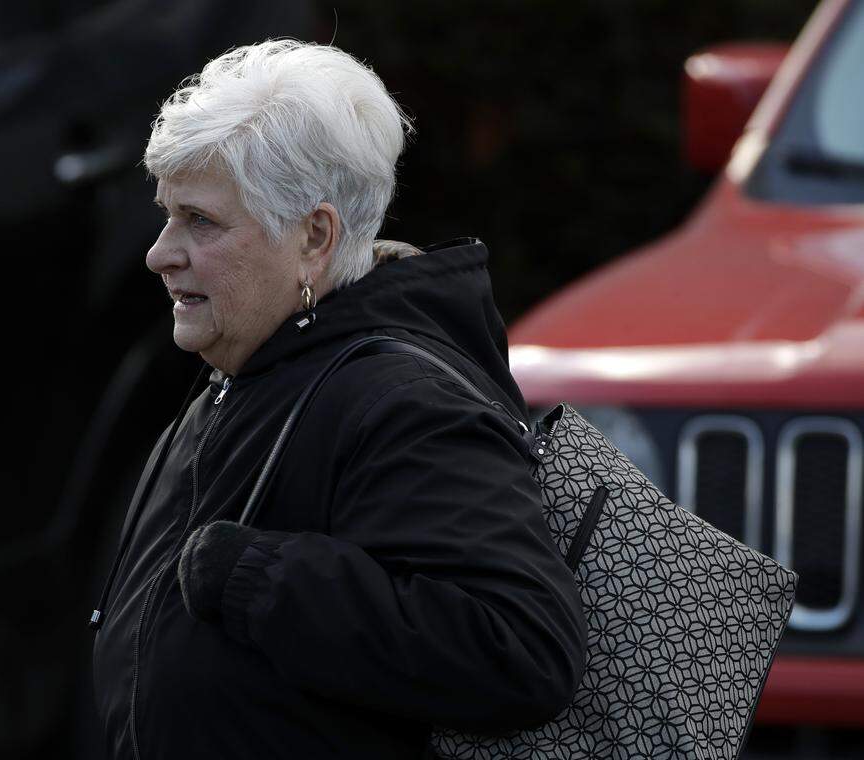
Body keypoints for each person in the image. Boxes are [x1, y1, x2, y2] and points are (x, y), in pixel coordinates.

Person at [90, 40, 585, 759]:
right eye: (167, 214)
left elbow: (522, 646)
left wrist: (261, 579)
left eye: (201, 221)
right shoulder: (245, 365)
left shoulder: (399, 403)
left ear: (314, 238)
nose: (159, 251)